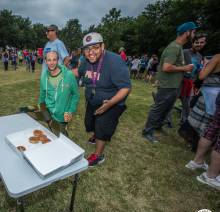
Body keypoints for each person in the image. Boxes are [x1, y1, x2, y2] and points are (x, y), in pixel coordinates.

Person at [78, 32, 131, 166]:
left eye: (95, 47)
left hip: (112, 102)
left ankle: (98, 156)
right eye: (87, 49)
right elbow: (78, 72)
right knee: (90, 122)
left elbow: (125, 88)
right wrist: (61, 72)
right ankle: (97, 134)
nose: (91, 52)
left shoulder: (115, 61)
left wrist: (110, 103)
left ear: (103, 46)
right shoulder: (85, 61)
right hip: (92, 99)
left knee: (102, 125)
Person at [142, 22, 197, 142]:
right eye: (193, 32)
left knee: (167, 109)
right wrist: (185, 68)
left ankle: (157, 126)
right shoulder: (174, 47)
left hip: (174, 85)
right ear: (187, 32)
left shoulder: (179, 47)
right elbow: (166, 67)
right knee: (158, 108)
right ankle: (147, 131)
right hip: (168, 85)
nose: (194, 34)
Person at [38, 51, 79, 136]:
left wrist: (70, 111)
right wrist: (46, 116)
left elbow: (75, 95)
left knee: (62, 138)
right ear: (45, 61)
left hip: (61, 116)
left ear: (58, 60)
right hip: (48, 114)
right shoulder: (43, 77)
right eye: (49, 60)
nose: (51, 63)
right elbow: (41, 99)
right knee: (51, 136)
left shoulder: (69, 75)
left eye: (54, 60)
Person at [180, 33, 207, 124]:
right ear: (192, 43)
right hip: (179, 80)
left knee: (186, 104)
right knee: (170, 100)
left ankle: (183, 121)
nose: (199, 44)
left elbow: (197, 71)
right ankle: (164, 119)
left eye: (201, 43)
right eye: (196, 42)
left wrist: (196, 80)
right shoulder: (184, 52)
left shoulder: (200, 56)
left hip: (190, 82)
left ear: (204, 44)